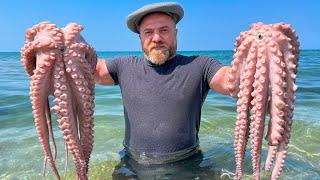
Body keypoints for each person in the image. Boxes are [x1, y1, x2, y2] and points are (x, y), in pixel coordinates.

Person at [93, 2, 231, 179]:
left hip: (188, 163)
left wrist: (259, 52)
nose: (156, 38)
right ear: (140, 38)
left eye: (164, 30)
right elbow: (92, 70)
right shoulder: (124, 66)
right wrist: (66, 44)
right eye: (148, 32)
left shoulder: (200, 66)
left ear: (176, 33)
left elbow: (229, 81)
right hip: (132, 165)